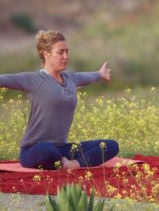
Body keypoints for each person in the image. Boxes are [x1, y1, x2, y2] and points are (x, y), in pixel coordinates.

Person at [0, 30, 118, 170]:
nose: (66, 56)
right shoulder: (34, 80)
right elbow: (5, 79)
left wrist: (100, 74)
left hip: (61, 148)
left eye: (67, 52)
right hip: (34, 150)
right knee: (46, 151)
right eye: (60, 52)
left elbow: (86, 76)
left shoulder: (70, 79)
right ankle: (63, 162)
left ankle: (73, 164)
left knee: (110, 145)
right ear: (46, 54)